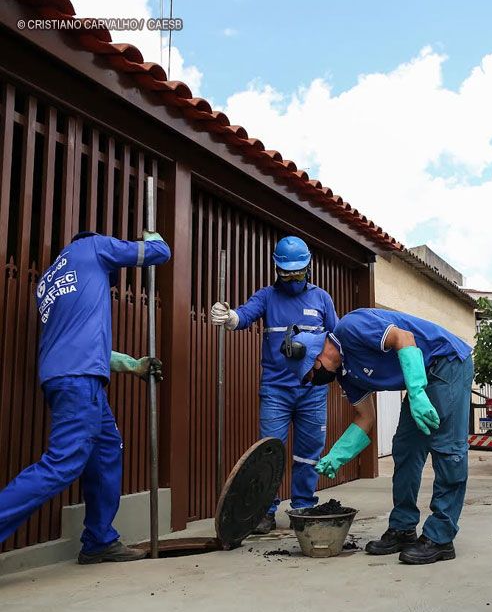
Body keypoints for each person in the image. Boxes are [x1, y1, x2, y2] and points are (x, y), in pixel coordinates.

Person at [0, 230, 171, 563]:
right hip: (80, 381)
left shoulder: (50, 280)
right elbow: (159, 253)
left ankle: (99, 539)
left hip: (67, 376)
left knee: (107, 448)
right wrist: (155, 238)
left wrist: (133, 365)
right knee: (62, 463)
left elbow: (82, 342)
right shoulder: (93, 247)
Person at [281, 308, 473, 565]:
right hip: (424, 375)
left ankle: (441, 537)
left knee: (447, 450)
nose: (316, 380)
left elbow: (404, 338)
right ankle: (403, 528)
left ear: (318, 352)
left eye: (313, 372)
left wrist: (415, 393)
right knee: (405, 449)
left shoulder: (351, 327)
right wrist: (338, 454)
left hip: (447, 362)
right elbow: (365, 418)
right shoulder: (347, 377)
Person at [210, 236, 337, 534]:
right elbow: (244, 315)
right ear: (276, 268)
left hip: (313, 391)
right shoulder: (267, 296)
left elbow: (337, 338)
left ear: (308, 267)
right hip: (276, 390)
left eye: (298, 272)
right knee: (268, 452)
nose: (292, 278)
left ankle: (303, 507)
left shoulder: (322, 298)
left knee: (308, 453)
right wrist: (229, 317)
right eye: (286, 272)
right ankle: (264, 511)